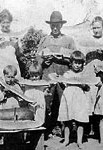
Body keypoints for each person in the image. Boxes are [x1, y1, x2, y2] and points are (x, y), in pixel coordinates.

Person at [36, 10, 76, 139]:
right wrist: (44, 60)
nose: (55, 27)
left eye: (57, 24)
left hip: (64, 74)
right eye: (52, 25)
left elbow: (76, 57)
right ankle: (44, 130)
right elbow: (37, 58)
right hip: (48, 74)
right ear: (49, 26)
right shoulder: (44, 40)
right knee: (46, 102)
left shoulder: (68, 40)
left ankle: (64, 130)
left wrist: (63, 58)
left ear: (61, 25)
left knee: (64, 101)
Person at [56, 51, 89, 149]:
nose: (77, 65)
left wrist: (83, 84)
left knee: (80, 120)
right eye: (75, 63)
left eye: (80, 63)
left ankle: (79, 141)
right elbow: (63, 85)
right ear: (71, 63)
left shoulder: (83, 75)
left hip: (79, 99)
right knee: (67, 120)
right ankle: (66, 140)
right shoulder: (67, 74)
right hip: (68, 98)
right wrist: (60, 81)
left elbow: (87, 88)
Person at [0, 9, 23, 81]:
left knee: (14, 88)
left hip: (12, 66)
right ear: (0, 23)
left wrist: (17, 45)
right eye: (3, 22)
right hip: (0, 66)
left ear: (10, 22)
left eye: (7, 22)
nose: (5, 25)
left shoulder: (15, 35)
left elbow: (20, 54)